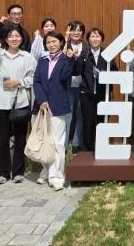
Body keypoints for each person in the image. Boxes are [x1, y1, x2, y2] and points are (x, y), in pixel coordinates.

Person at [0, 25, 36, 184]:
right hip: (2, 101)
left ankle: (18, 171)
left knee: (20, 138)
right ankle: (3, 172)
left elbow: (34, 77)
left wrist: (19, 81)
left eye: (17, 36)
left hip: (20, 101)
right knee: (3, 138)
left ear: (22, 38)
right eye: (11, 36)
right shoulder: (0, 55)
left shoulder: (27, 57)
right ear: (6, 39)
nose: (14, 39)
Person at [32, 30, 76, 191]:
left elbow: (64, 77)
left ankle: (57, 176)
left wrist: (69, 59)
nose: (51, 45)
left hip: (58, 106)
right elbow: (36, 81)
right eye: (48, 42)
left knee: (58, 142)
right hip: (42, 106)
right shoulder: (42, 60)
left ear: (61, 42)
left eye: (54, 41)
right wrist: (41, 99)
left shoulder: (66, 59)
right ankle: (46, 170)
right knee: (44, 140)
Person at [80, 27, 117, 152]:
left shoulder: (108, 54)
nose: (95, 39)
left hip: (103, 93)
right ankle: (88, 149)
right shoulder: (84, 53)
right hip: (87, 93)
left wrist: (104, 75)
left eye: (97, 36)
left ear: (102, 39)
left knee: (102, 121)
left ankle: (102, 146)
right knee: (88, 121)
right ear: (88, 39)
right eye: (92, 36)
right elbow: (77, 71)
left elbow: (114, 72)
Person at [65, 21, 89, 153]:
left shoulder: (86, 47)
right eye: (73, 30)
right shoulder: (64, 45)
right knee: (67, 115)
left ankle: (77, 143)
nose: (76, 32)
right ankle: (63, 145)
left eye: (79, 30)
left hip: (82, 86)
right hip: (66, 86)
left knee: (80, 115)